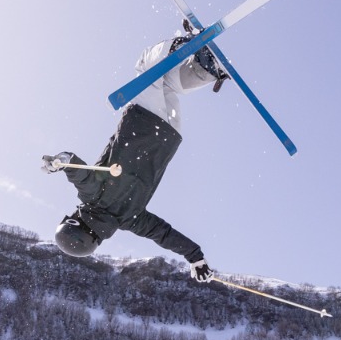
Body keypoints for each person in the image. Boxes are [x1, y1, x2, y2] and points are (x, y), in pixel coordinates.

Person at [42, 26, 223, 281]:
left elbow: (163, 234)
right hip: (144, 121)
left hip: (170, 135)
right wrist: (61, 162)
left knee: (167, 83)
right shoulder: (93, 197)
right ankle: (187, 45)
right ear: (76, 223)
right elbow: (77, 171)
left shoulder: (131, 220)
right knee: (146, 66)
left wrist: (196, 257)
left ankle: (207, 69)